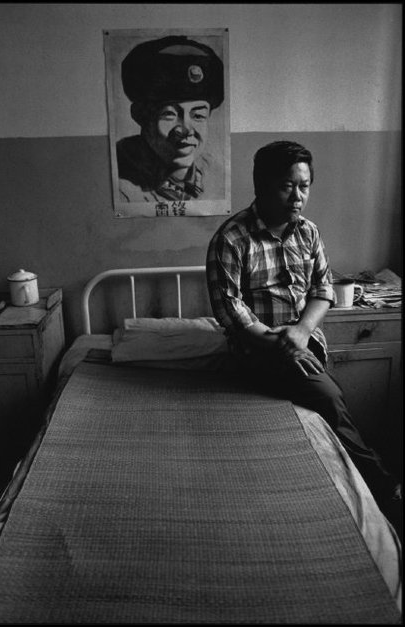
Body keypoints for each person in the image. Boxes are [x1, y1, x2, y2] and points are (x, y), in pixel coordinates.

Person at [206, 140, 402, 537]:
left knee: (326, 395)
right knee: (328, 397)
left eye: (305, 186)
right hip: (257, 348)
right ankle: (387, 490)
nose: (298, 196)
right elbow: (230, 310)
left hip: (303, 340)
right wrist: (280, 343)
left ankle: (377, 482)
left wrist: (300, 332)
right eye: (287, 186)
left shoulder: (309, 233)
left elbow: (322, 290)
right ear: (261, 185)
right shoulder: (232, 238)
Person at [116, 35, 225, 202]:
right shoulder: (122, 184)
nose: (186, 129)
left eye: (198, 116)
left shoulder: (216, 175)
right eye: (169, 114)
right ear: (140, 115)